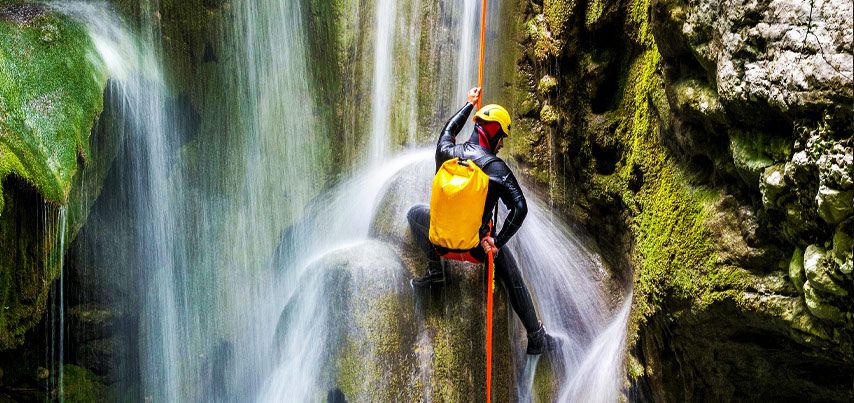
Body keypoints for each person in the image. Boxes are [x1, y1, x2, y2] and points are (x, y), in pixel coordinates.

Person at [407, 87, 555, 355]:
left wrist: (468, 105)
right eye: (502, 137)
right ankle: (536, 337)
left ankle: (436, 271)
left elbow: (448, 131)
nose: (502, 144)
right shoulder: (495, 168)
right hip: (477, 250)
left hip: (440, 243)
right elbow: (520, 208)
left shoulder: (445, 153)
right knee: (511, 273)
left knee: (413, 215)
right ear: (494, 131)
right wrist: (497, 241)